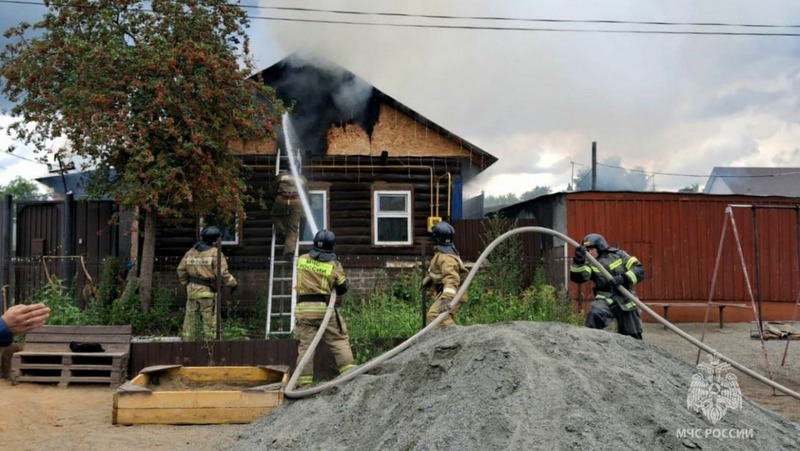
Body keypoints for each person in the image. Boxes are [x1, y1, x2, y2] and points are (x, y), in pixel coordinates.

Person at [294, 229, 356, 387]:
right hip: (324, 310)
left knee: (306, 347)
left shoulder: (301, 260)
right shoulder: (333, 265)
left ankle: (303, 384)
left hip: (304, 310)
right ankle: (350, 377)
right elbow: (342, 288)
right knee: (338, 340)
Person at [570, 233, 645, 339]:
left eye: (591, 249)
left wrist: (623, 278)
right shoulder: (589, 263)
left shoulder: (619, 255)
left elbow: (639, 270)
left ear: (600, 247)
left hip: (626, 298)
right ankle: (591, 342)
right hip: (605, 298)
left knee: (633, 334)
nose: (589, 253)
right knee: (594, 316)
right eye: (587, 250)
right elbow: (579, 278)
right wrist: (578, 261)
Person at [177, 225, 238, 340]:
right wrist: (233, 283)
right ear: (215, 239)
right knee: (209, 319)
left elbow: (181, 270)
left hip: (192, 290)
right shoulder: (215, 253)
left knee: (190, 318)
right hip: (207, 291)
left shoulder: (191, 252)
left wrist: (186, 284)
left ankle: (187, 342)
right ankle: (210, 343)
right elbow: (222, 273)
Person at [422, 221, 469, 328]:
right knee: (444, 316)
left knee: (435, 315)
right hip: (452, 292)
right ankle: (448, 336)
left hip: (453, 293)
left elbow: (451, 278)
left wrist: (447, 298)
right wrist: (429, 279)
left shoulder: (446, 257)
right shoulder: (442, 253)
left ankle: (455, 336)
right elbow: (439, 270)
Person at [268, 169, 307, 261]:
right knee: (292, 229)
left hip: (282, 199)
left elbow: (272, 190)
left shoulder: (281, 176)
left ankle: (280, 230)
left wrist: (274, 198)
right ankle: (289, 253)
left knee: (275, 215)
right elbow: (305, 194)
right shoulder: (302, 178)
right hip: (296, 201)